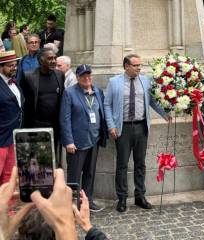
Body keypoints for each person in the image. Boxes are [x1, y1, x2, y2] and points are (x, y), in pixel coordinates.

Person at [104, 54, 169, 213]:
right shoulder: (115, 82)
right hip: (123, 128)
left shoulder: (145, 81)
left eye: (140, 65)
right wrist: (111, 126)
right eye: (135, 65)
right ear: (126, 66)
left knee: (140, 164)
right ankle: (122, 198)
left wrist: (164, 114)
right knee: (122, 165)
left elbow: (153, 101)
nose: (139, 68)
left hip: (141, 127)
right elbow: (107, 105)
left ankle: (140, 196)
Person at [60, 64, 107, 212]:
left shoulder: (98, 91)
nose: (87, 78)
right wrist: (68, 141)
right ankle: (72, 205)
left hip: (94, 140)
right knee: (74, 176)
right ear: (78, 77)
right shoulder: (69, 93)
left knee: (90, 173)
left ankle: (88, 201)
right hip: (77, 143)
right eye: (83, 76)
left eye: (89, 75)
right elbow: (64, 119)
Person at [20, 48, 65, 151]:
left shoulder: (60, 75)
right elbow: (23, 103)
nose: (53, 61)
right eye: (49, 58)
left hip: (54, 126)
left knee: (52, 157)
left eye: (55, 58)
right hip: (36, 126)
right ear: (41, 60)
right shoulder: (28, 76)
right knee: (37, 157)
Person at [0, 51, 23, 186]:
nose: (14, 68)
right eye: (10, 66)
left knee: (9, 175)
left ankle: (6, 207)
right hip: (1, 139)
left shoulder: (15, 83)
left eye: (15, 65)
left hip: (13, 138)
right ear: (1, 67)